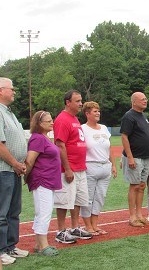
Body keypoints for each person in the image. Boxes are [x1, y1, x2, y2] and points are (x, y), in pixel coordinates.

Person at [0, 77, 28, 265]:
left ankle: (10, 246)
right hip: (2, 170)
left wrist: (19, 163)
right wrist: (15, 163)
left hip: (13, 169)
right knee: (0, 213)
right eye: (11, 88)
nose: (14, 91)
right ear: (0, 90)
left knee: (13, 210)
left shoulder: (8, 112)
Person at [53, 90, 92, 244]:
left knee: (77, 199)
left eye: (81, 100)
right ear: (68, 102)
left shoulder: (74, 118)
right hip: (69, 168)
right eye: (77, 101)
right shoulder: (62, 119)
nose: (81, 103)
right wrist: (67, 168)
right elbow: (60, 145)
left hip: (80, 167)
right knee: (64, 200)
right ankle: (61, 230)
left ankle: (75, 227)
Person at [25, 111, 61, 256]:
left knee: (42, 212)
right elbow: (30, 160)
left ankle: (39, 243)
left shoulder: (44, 137)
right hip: (42, 179)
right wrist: (26, 176)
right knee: (44, 212)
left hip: (48, 179)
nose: (52, 123)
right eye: (48, 121)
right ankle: (43, 245)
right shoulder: (38, 138)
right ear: (39, 124)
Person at [80, 101, 117, 235]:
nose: (98, 113)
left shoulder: (104, 128)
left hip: (105, 166)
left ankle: (95, 224)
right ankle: (87, 226)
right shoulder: (82, 129)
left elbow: (109, 148)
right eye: (95, 111)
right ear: (87, 113)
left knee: (100, 197)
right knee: (88, 198)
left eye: (98, 111)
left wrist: (113, 164)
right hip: (90, 166)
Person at [121, 92, 149, 227]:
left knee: (141, 186)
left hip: (145, 157)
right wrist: (130, 157)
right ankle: (132, 216)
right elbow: (124, 136)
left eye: (146, 99)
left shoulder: (143, 116)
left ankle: (140, 214)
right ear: (134, 102)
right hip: (135, 157)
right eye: (142, 99)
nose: (145, 101)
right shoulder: (129, 116)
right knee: (134, 186)